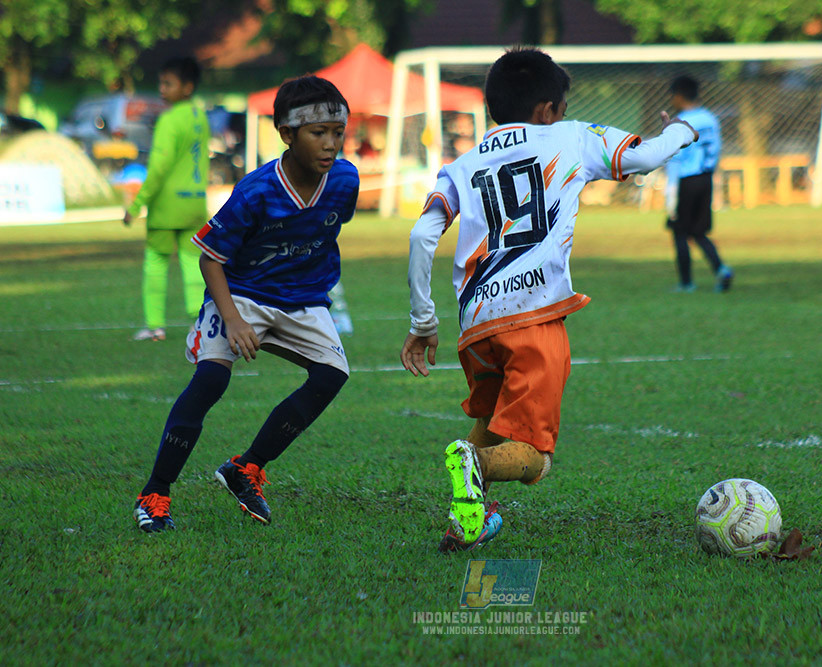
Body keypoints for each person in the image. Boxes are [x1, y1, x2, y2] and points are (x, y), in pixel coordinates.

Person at [399, 47, 697, 551]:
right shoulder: (571, 136)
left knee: (490, 423)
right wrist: (683, 131)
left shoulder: (461, 165)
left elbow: (421, 237)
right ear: (548, 111)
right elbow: (644, 157)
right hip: (533, 315)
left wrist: (422, 320)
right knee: (534, 455)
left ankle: (464, 521)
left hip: (476, 323)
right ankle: (475, 467)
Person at [132, 75, 359, 532]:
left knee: (332, 375)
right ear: (286, 134)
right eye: (319, 132)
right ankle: (155, 493)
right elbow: (210, 258)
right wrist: (233, 320)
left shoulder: (346, 180)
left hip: (302, 298)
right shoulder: (256, 192)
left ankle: (246, 466)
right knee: (211, 380)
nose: (331, 144)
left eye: (338, 132)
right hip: (240, 294)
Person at [124, 56, 211, 341]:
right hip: (195, 202)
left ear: (187, 87)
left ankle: (154, 326)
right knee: (192, 264)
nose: (161, 88)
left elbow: (159, 167)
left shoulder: (169, 119)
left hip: (167, 205)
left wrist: (136, 205)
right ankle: (199, 323)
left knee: (156, 264)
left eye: (168, 83)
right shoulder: (200, 116)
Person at [664, 75, 732, 293]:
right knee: (698, 231)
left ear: (679, 95)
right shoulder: (710, 118)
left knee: (680, 231)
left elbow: (675, 159)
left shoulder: (681, 122)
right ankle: (721, 269)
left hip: (686, 180)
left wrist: (671, 194)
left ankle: (686, 283)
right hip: (706, 178)